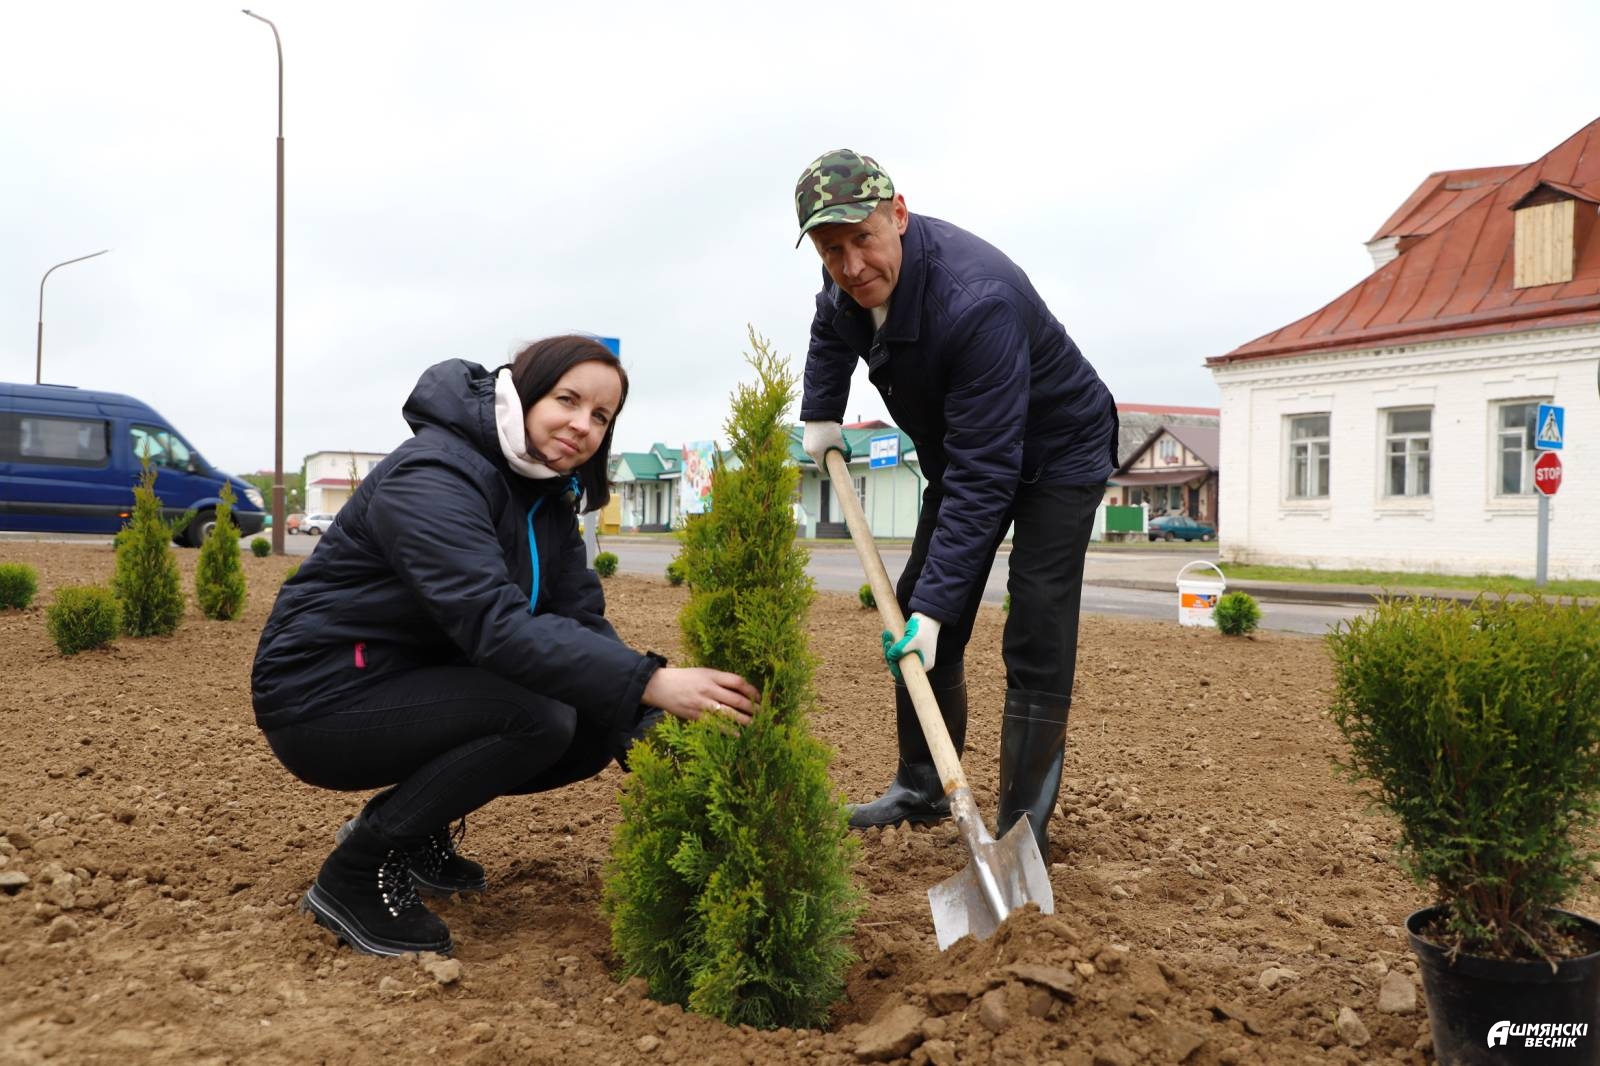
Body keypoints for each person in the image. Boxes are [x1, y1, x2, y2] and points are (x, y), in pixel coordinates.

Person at [251, 336, 759, 958]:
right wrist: (651, 681)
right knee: (537, 716)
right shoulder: (435, 474)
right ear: (524, 394)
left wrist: (641, 716)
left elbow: (577, 619)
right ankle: (357, 871)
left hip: (409, 679)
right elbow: (492, 624)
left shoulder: (544, 494)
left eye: (601, 416)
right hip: (322, 695)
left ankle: (416, 834)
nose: (583, 424)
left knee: (591, 721)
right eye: (567, 400)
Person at [793, 149, 1118, 862]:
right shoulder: (845, 281)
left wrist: (939, 613)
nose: (851, 266)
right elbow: (829, 327)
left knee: (1036, 625)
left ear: (899, 215)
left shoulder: (976, 301)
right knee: (914, 608)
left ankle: (1021, 831)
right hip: (966, 449)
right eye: (831, 250)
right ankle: (924, 786)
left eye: (863, 240)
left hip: (1057, 452)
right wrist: (821, 412)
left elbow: (985, 474)